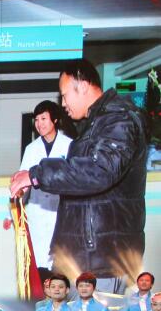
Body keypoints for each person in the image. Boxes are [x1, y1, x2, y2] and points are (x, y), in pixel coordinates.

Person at [9, 59, 148, 293]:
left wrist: (36, 175)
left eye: (64, 95)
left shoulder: (118, 119)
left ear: (82, 86)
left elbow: (99, 170)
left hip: (103, 259)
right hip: (87, 255)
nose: (63, 104)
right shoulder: (95, 124)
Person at [17, 100, 73, 270]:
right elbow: (22, 182)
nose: (39, 124)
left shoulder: (69, 145)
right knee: (38, 262)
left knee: (60, 264)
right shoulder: (31, 149)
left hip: (61, 211)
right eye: (36, 120)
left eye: (43, 119)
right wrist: (14, 211)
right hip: (37, 210)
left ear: (54, 120)